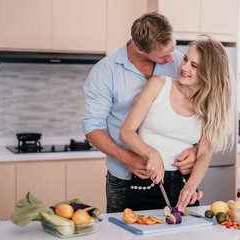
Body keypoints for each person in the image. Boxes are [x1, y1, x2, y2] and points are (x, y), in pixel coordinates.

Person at [82, 11, 198, 213]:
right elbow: (92, 127)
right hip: (125, 178)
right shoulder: (105, 72)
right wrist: (127, 158)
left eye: (172, 48)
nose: (172, 58)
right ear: (140, 49)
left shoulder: (179, 63)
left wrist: (195, 150)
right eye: (164, 55)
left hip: (173, 176)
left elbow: (196, 114)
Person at [119, 34, 235, 212]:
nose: (184, 66)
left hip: (183, 185)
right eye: (186, 59)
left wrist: (191, 185)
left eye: (194, 65)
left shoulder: (209, 107)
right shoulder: (158, 85)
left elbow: (204, 152)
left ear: (209, 74)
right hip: (146, 184)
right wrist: (152, 153)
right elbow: (126, 132)